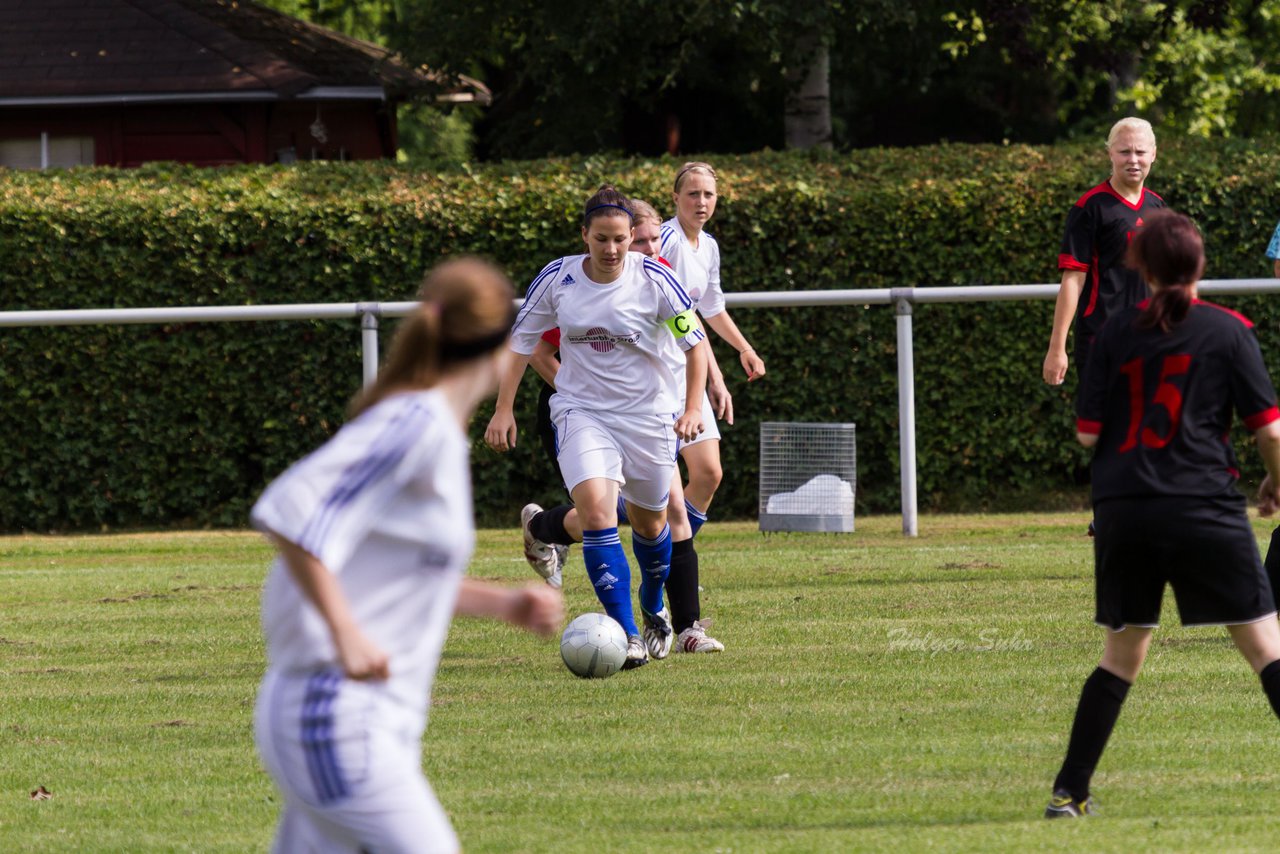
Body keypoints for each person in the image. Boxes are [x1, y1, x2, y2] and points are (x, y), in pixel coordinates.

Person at [251, 258, 565, 853]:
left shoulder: (435, 432)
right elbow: (291, 513)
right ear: (504, 347)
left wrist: (503, 604)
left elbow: (401, 574)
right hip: (334, 708)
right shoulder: (415, 423)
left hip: (364, 715)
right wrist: (346, 635)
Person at [1045, 211, 1280, 819]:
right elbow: (1270, 431)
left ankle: (1069, 794)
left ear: (1140, 268)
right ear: (1200, 266)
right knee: (1265, 649)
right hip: (1205, 506)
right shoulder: (1230, 331)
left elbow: (1087, 435)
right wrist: (1277, 483)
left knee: (1120, 659)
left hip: (1127, 512)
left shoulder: (1115, 334)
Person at [489, 185, 710, 669]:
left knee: (653, 525)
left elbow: (695, 345)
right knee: (596, 513)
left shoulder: (655, 278)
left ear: (633, 236)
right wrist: (503, 409)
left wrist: (692, 407)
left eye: (620, 240)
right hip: (581, 412)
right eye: (601, 239)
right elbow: (521, 344)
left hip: (649, 417)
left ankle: (653, 608)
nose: (611, 251)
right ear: (584, 235)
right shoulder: (558, 277)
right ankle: (627, 634)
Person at [657, 161, 763, 649]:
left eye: (710, 195)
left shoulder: (708, 246)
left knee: (708, 475)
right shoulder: (668, 242)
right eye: (693, 194)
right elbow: (678, 321)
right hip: (656, 376)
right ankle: (558, 526)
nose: (702, 202)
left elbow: (708, 309)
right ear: (675, 198)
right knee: (658, 495)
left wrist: (741, 350)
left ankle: (676, 567)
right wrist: (714, 376)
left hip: (688, 373)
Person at [1043, 118, 1165, 388]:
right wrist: (1057, 348)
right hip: (1102, 339)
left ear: (1153, 154)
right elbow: (1073, 281)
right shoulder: (1090, 207)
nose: (1133, 160)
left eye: (1140, 152)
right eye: (1124, 151)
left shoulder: (1158, 207)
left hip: (1149, 339)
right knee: (1104, 429)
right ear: (1110, 153)